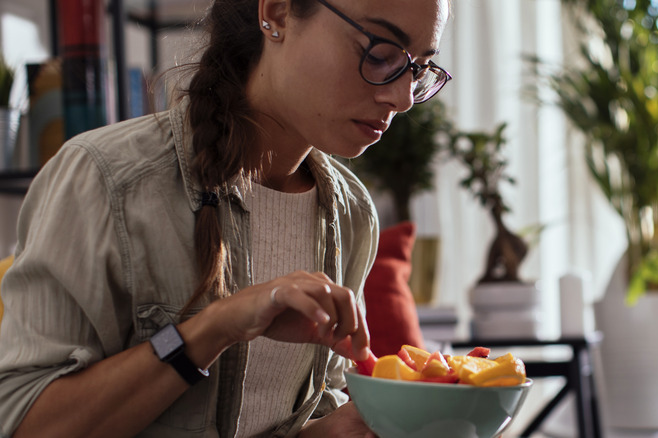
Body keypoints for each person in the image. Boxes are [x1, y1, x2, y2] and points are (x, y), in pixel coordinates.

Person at [0, 0, 451, 436]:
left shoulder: (352, 213)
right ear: (276, 12)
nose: (403, 97)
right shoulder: (103, 179)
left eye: (418, 68)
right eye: (381, 52)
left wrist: (336, 429)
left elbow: (296, 411)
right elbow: (24, 424)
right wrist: (213, 329)